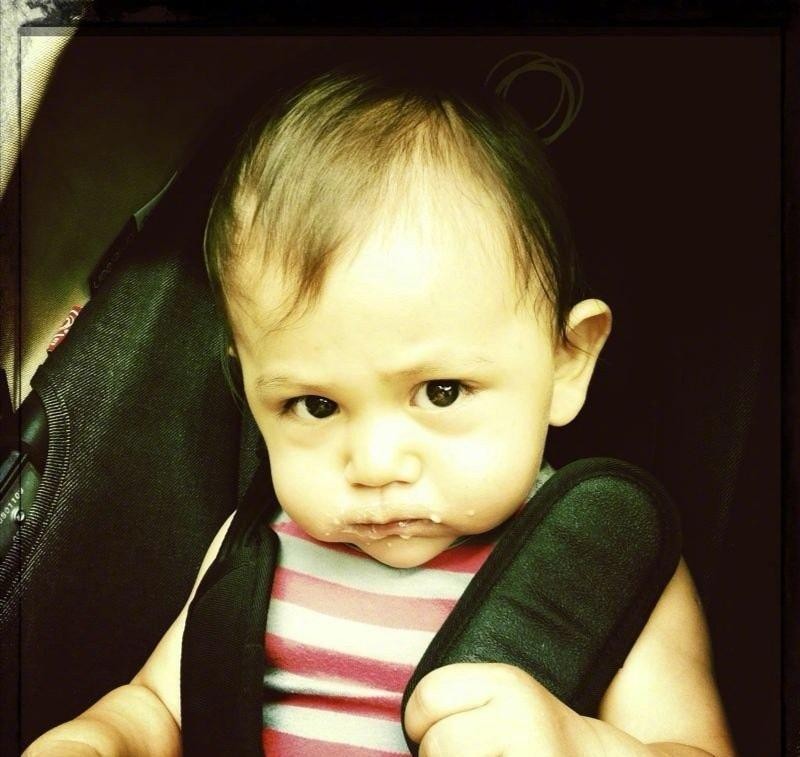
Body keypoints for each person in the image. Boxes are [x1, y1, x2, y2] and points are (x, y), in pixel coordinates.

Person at [24, 61, 735, 756]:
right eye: (315, 404)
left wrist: (579, 746)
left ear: (568, 361)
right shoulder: (255, 547)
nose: (375, 465)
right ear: (249, 388)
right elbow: (158, 705)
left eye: (442, 392)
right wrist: (104, 737)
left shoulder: (604, 562)